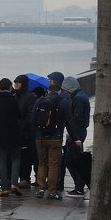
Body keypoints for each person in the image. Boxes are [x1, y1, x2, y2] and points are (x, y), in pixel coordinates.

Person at [32, 72, 67, 200]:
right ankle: (52, 191)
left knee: (42, 163)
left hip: (40, 138)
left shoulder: (40, 100)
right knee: (53, 165)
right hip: (55, 138)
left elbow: (33, 120)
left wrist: (36, 134)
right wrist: (75, 137)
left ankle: (41, 189)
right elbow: (69, 121)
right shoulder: (63, 101)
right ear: (59, 90)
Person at [0, 78, 22, 197]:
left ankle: (4, 188)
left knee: (1, 160)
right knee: (15, 159)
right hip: (13, 133)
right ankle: (14, 184)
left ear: (0, 87)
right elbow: (19, 114)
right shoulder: (14, 99)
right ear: (10, 87)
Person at [59, 75, 91, 196]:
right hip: (80, 131)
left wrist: (72, 134)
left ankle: (79, 187)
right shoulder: (81, 96)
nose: (65, 93)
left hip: (77, 132)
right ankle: (79, 186)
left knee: (70, 160)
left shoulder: (77, 99)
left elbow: (76, 118)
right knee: (74, 159)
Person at [12, 75, 37, 189]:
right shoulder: (15, 96)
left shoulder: (30, 97)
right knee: (16, 156)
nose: (16, 85)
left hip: (26, 132)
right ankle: (17, 178)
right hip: (16, 131)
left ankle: (25, 178)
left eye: (18, 83)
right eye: (15, 83)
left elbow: (30, 115)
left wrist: (22, 126)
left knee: (25, 157)